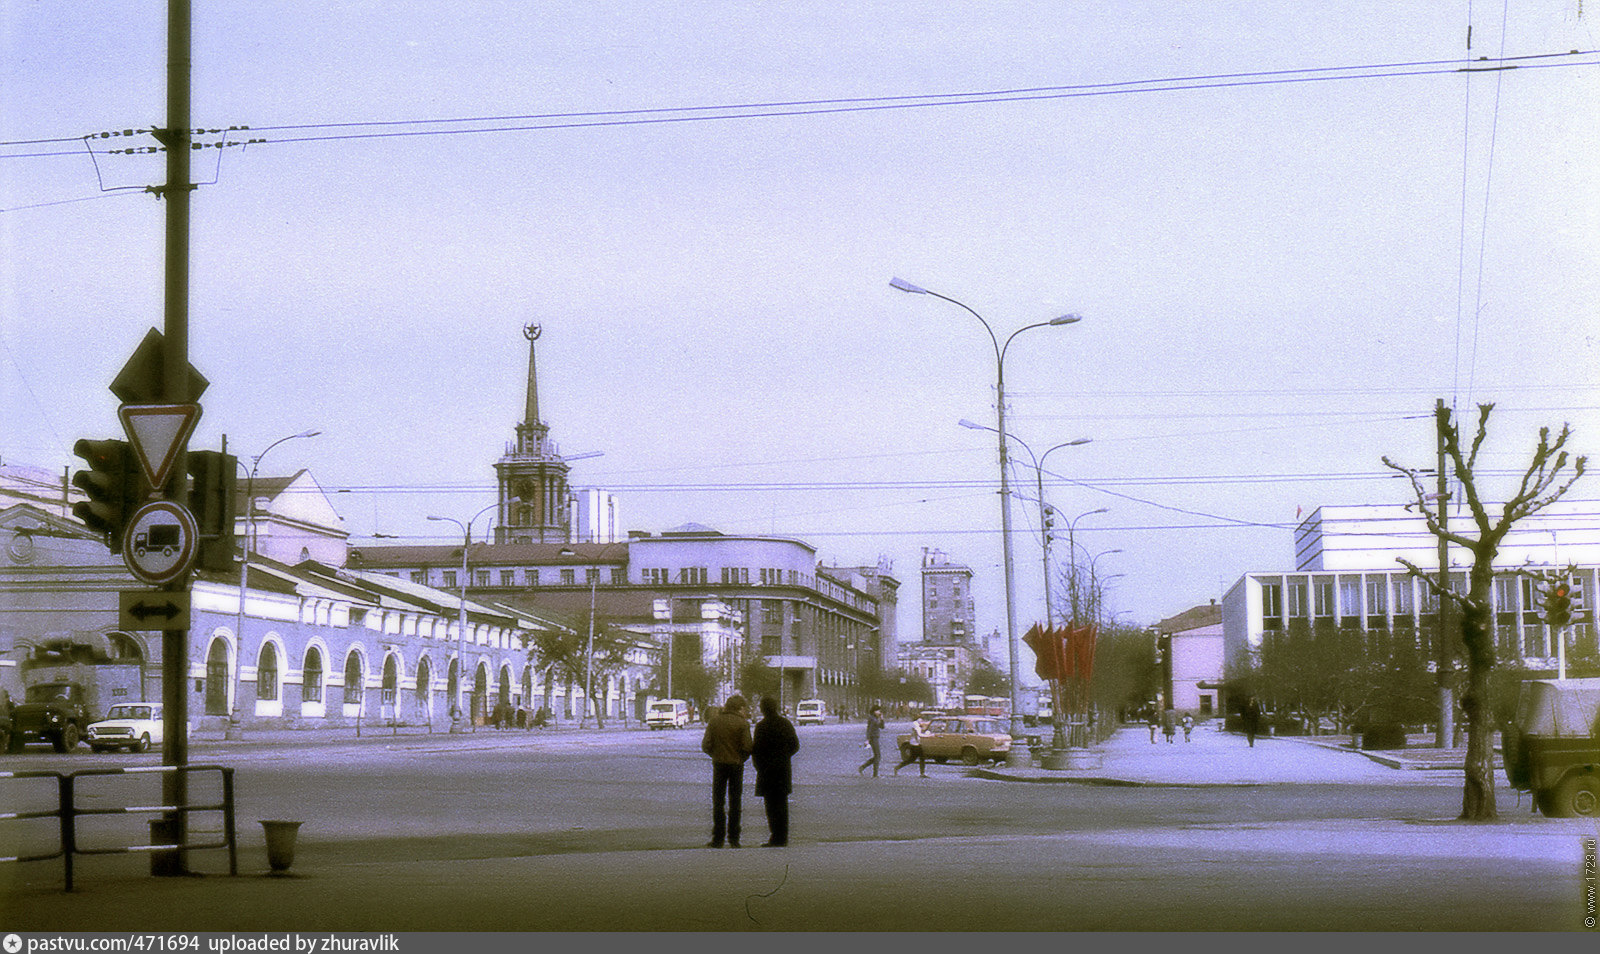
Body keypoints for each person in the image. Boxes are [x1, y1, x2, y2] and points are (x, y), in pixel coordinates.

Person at [701, 694, 753, 848]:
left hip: (719, 764)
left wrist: (715, 755)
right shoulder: (743, 724)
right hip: (736, 765)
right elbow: (748, 746)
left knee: (718, 801)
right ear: (740, 707)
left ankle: (718, 838)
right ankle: (734, 838)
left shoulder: (714, 722)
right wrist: (740, 758)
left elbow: (705, 745)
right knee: (735, 801)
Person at [751, 695, 800, 847]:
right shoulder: (785, 723)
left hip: (766, 770)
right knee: (782, 804)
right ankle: (782, 836)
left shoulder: (761, 726)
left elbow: (756, 749)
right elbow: (795, 745)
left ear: (763, 709)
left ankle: (775, 836)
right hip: (783, 769)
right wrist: (784, 756)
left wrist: (759, 766)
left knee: (770, 805)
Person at [858, 705, 886, 776]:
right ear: (874, 711)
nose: (879, 712)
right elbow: (869, 729)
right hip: (873, 738)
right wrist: (867, 739)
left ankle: (863, 767)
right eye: (878, 711)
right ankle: (875, 773)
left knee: (877, 756)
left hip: (875, 737)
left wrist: (882, 719)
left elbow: (882, 727)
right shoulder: (872, 718)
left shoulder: (876, 718)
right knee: (878, 756)